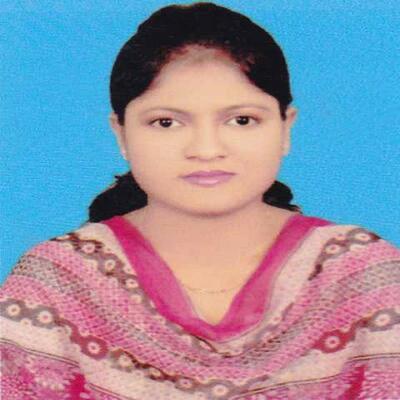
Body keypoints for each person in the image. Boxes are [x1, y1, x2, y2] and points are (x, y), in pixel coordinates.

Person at [1, 2, 399, 399]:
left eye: (242, 120)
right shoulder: (55, 284)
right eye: (166, 122)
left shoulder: (364, 276)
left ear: (285, 128)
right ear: (121, 134)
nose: (206, 149)